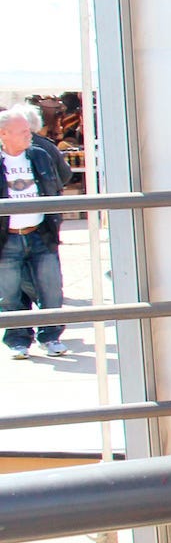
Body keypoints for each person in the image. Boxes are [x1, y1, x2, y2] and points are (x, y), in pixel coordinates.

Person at [1, 105, 70, 359]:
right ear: (4, 134)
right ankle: (18, 341)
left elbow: (59, 180)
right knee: (9, 293)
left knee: (51, 288)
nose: (29, 134)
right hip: (7, 237)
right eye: (22, 131)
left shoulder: (40, 154)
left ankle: (51, 337)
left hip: (40, 233)